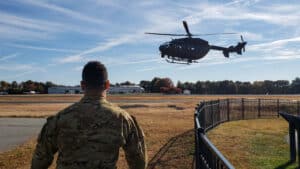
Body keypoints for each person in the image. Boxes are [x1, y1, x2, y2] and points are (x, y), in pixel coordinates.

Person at [31, 61, 147, 169]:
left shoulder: (60, 118)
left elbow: (39, 162)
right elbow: (139, 163)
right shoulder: (123, 119)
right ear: (107, 85)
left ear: (82, 85)